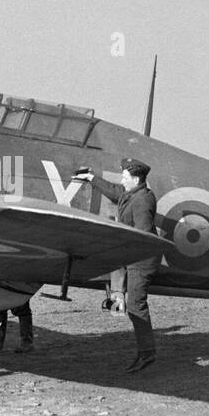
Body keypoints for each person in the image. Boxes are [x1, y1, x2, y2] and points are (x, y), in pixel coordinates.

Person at [72, 157, 158, 372]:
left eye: (125, 176)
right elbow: (114, 191)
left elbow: (143, 236)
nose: (122, 179)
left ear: (135, 179)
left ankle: (147, 354)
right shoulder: (132, 193)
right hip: (132, 256)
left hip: (142, 259)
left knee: (136, 306)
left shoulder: (142, 201)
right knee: (128, 303)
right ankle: (117, 303)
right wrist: (91, 178)